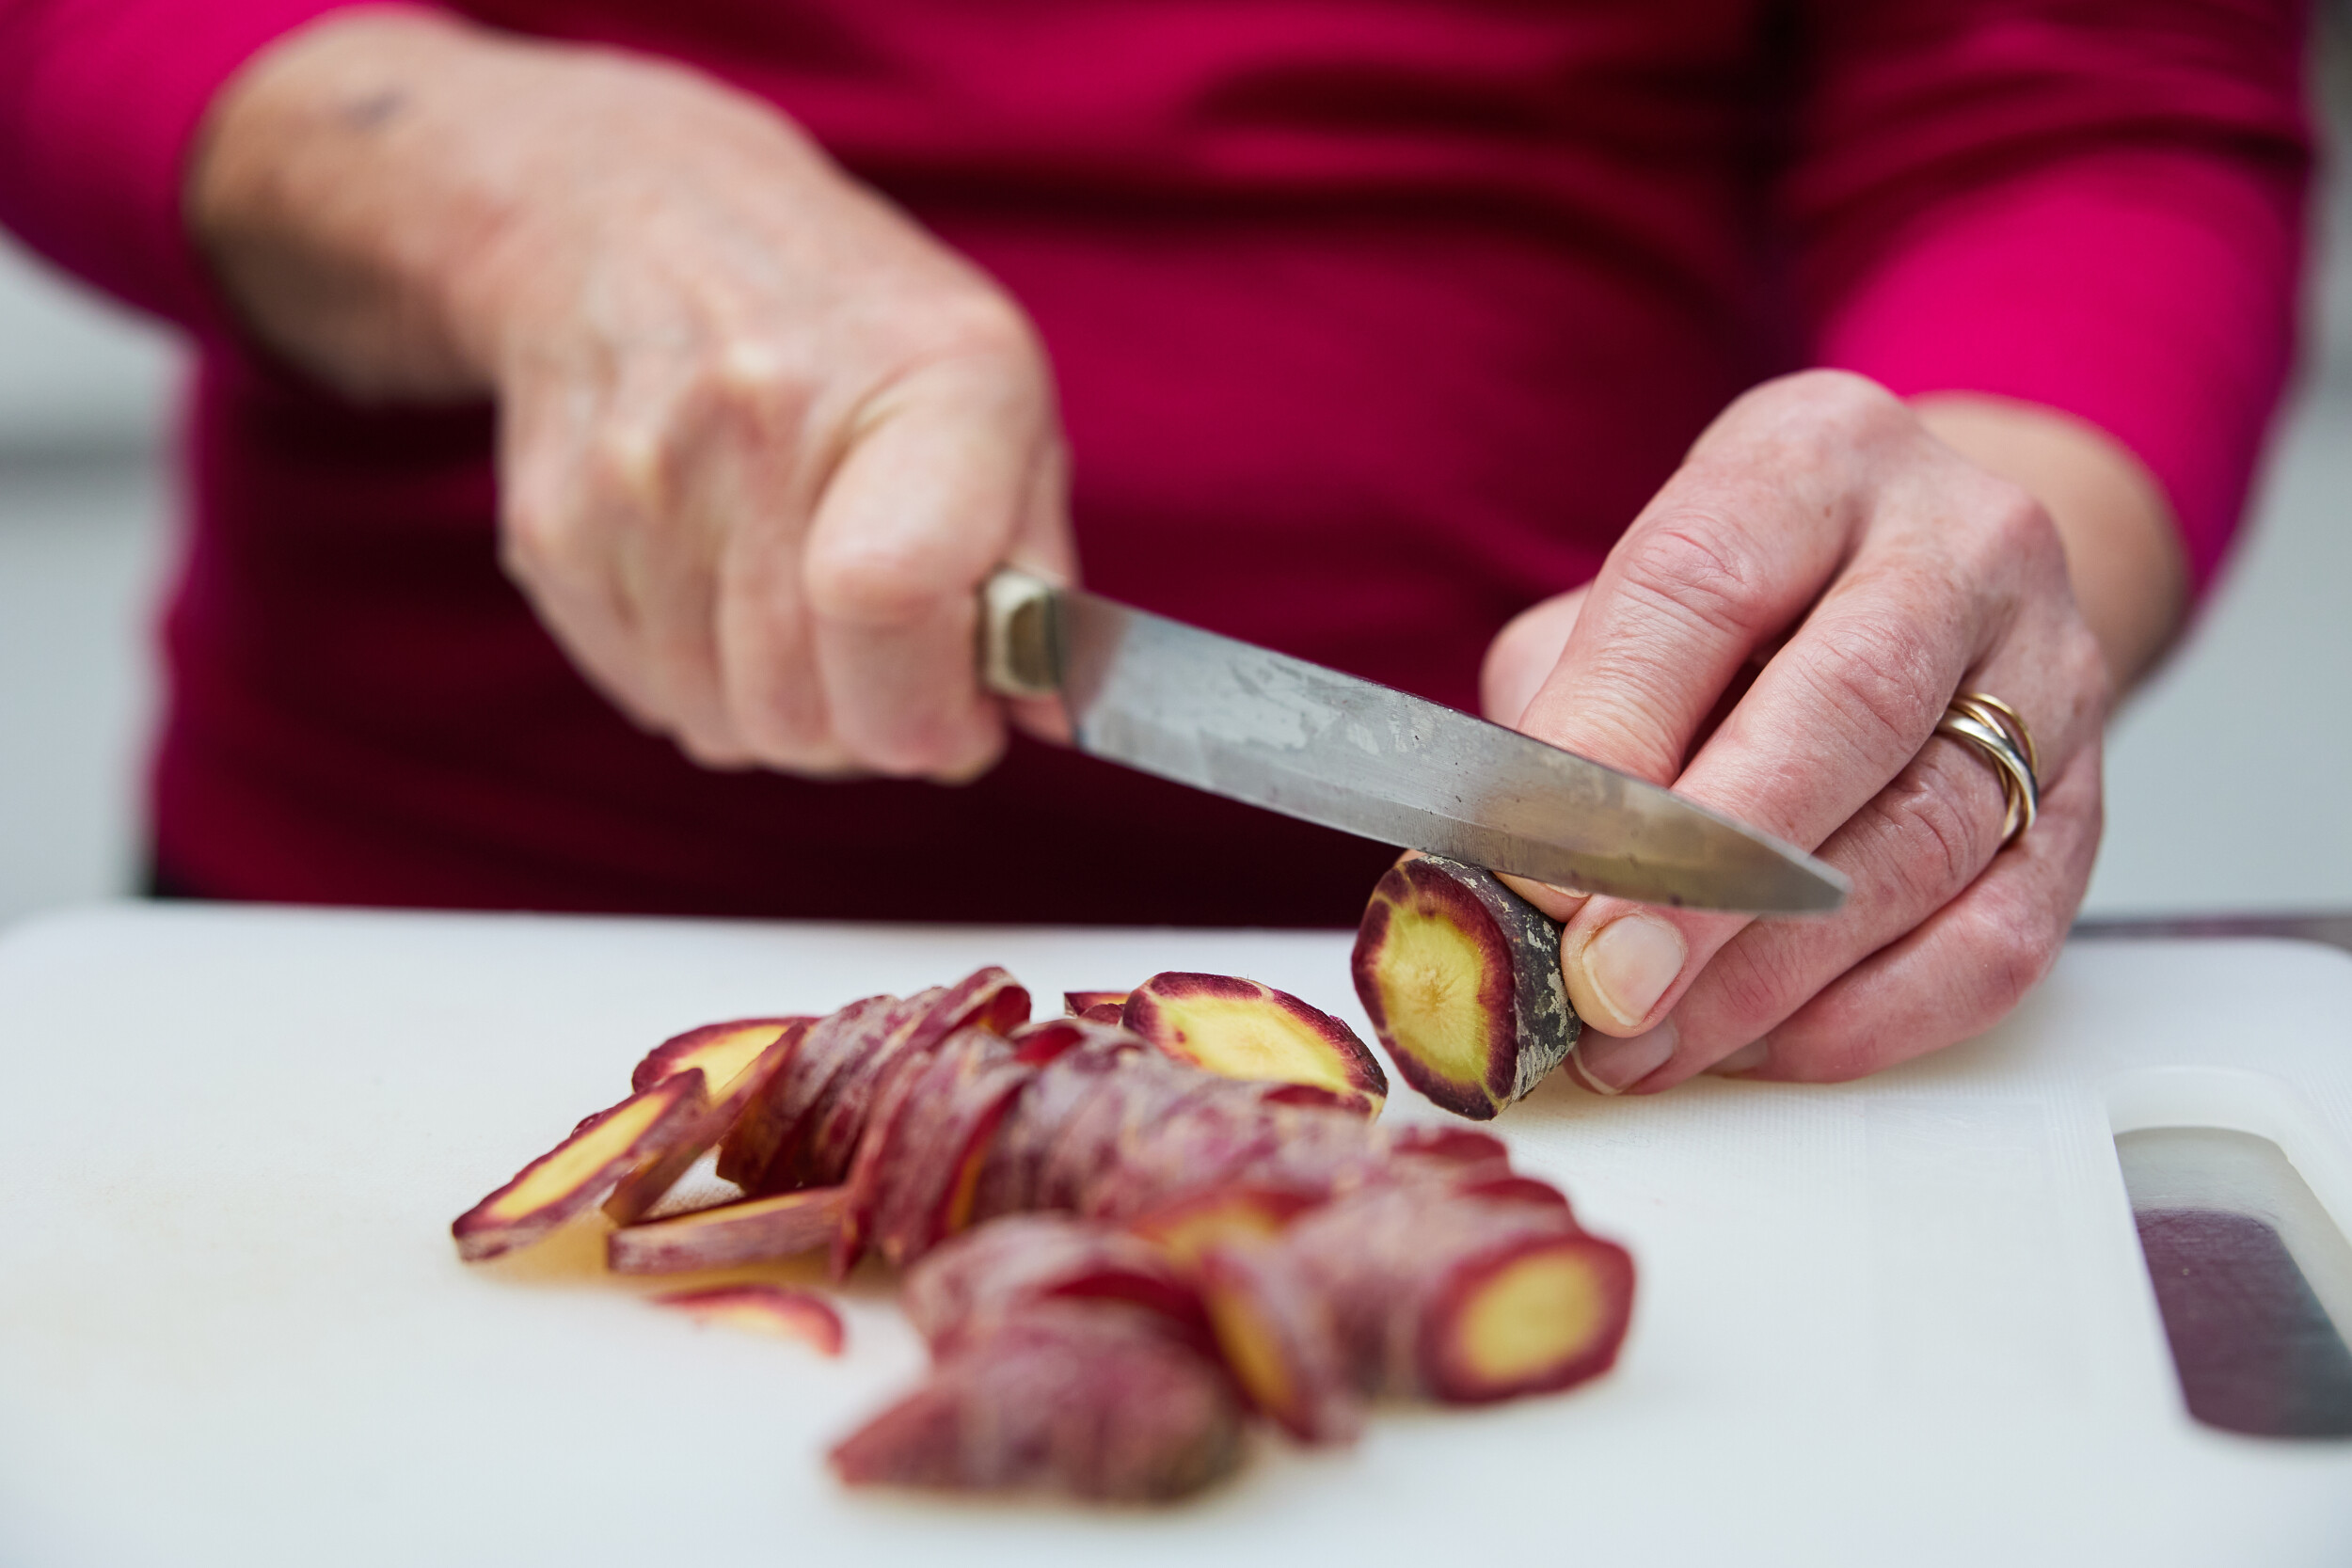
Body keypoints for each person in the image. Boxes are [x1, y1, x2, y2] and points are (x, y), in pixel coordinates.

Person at [0, 1, 2308, 1093]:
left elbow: (2082, 108)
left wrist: (1962, 577)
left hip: (1624, 1087)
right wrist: (475, 167)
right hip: (377, 973)